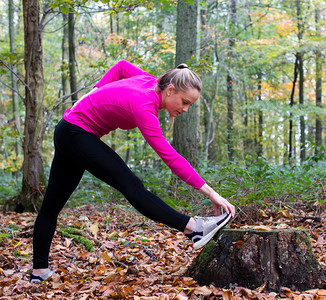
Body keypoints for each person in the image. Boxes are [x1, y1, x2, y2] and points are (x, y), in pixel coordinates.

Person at [30, 60, 236, 283]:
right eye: (185, 102)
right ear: (170, 90)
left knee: (51, 206)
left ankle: (39, 272)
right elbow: (171, 158)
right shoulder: (144, 107)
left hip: (68, 130)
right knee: (132, 186)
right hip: (76, 134)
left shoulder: (149, 81)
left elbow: (121, 67)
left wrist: (95, 91)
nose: (185, 109)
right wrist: (211, 193)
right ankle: (194, 229)